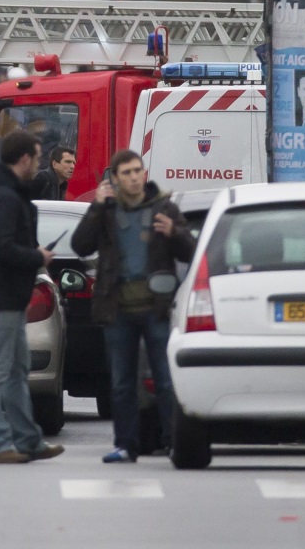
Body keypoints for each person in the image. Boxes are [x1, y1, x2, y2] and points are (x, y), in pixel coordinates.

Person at [71, 149, 196, 463]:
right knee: (123, 382)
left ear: (144, 172)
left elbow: (191, 251)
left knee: (166, 380)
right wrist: (96, 208)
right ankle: (126, 444)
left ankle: (173, 441)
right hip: (118, 309)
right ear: (115, 178)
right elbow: (80, 245)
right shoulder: (107, 212)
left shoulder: (163, 207)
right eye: (126, 172)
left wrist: (176, 233)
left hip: (156, 308)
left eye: (137, 170)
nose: (133, 177)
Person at [0, 130, 65, 464]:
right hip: (0, 295)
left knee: (16, 370)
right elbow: (1, 247)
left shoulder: (2, 192)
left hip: (7, 293)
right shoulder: (2, 197)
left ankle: (27, 439)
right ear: (23, 159)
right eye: (36, 157)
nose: (38, 164)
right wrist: (36, 256)